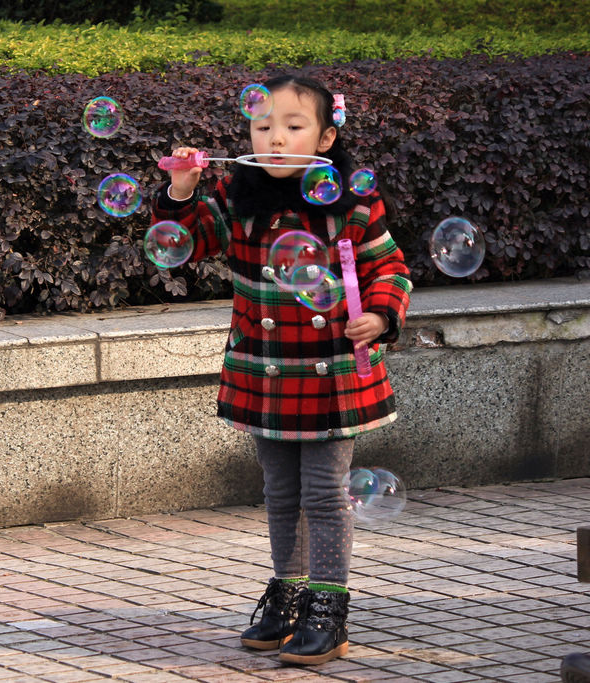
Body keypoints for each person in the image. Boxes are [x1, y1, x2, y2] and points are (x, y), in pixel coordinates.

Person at [151, 74, 412, 665]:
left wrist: (379, 313)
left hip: (332, 373)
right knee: (279, 492)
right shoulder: (235, 200)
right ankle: (287, 592)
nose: (275, 137)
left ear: (323, 139)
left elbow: (389, 264)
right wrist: (182, 188)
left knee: (323, 494)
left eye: (293, 126)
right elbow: (182, 242)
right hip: (264, 370)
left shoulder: (349, 201)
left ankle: (328, 605)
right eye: (263, 125)